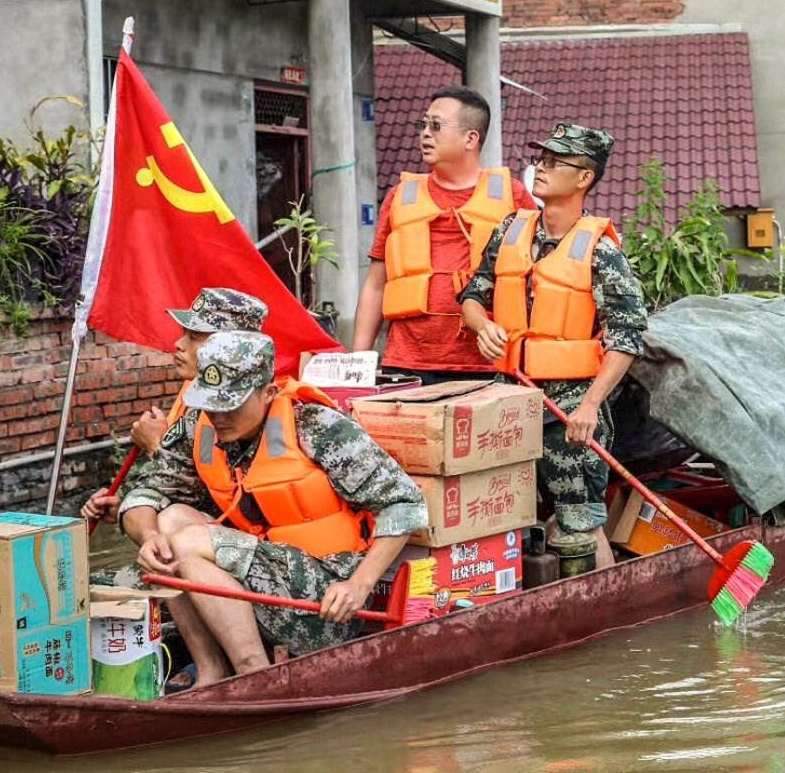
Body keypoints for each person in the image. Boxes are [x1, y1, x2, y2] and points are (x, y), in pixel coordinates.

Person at [117, 331, 428, 684]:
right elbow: (144, 493)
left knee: (185, 543)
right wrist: (149, 537)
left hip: (326, 598)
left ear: (268, 393)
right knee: (169, 523)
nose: (218, 416)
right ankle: (211, 669)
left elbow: (405, 504)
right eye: (210, 403)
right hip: (261, 566)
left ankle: (253, 671)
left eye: (231, 405)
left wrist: (358, 585)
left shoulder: (317, 426)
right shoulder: (199, 425)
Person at [459, 123, 648, 572]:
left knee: (580, 523)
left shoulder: (601, 252)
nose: (540, 168)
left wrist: (590, 405)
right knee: (504, 518)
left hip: (569, 407)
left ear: (584, 177)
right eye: (540, 159)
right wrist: (481, 325)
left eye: (555, 162)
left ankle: (605, 603)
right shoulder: (510, 230)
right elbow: (472, 294)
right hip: (509, 396)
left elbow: (626, 337)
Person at [353, 86, 535, 386]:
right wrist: (358, 364)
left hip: (488, 365)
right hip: (407, 364)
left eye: (436, 126)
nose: (425, 133)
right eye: (423, 125)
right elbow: (375, 286)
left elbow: (535, 280)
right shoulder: (400, 196)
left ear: (470, 139)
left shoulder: (512, 196)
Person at [81, 287, 269, 527]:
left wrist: (155, 446)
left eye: (195, 337)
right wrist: (126, 507)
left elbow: (247, 506)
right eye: (184, 334)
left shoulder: (258, 406)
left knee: (170, 522)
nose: (178, 344)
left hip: (263, 544)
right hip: (209, 538)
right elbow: (187, 482)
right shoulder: (194, 402)